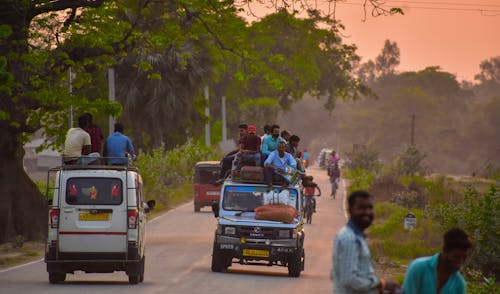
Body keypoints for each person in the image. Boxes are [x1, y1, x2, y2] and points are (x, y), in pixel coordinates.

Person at [331, 190, 400, 294]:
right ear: (350, 210)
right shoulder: (350, 239)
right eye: (361, 208)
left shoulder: (356, 237)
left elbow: (335, 273)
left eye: (370, 208)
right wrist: (380, 285)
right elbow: (349, 280)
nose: (367, 212)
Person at [402, 227, 473, 294]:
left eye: (464, 258)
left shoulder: (459, 283)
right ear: (445, 251)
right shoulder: (418, 268)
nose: (460, 262)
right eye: (456, 257)